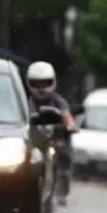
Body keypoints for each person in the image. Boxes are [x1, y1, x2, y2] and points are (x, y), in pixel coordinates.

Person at [26, 62, 77, 205]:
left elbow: (66, 115)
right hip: (32, 137)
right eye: (37, 83)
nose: (41, 88)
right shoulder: (25, 100)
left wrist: (70, 125)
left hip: (56, 136)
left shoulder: (58, 101)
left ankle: (62, 190)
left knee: (64, 154)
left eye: (45, 83)